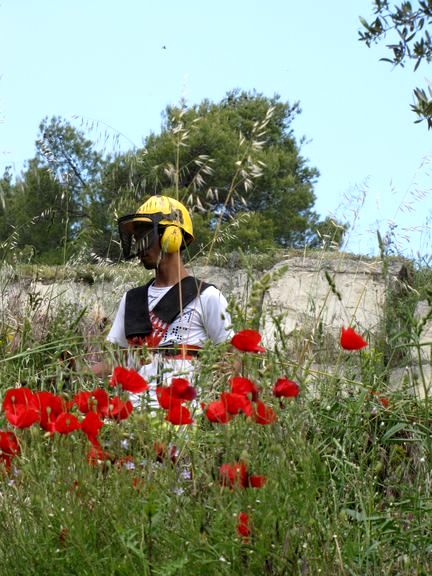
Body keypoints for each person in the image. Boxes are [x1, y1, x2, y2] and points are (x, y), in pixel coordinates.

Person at [92, 195, 234, 408]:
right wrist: (72, 371)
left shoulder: (207, 296)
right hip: (132, 423)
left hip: (182, 423)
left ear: (172, 236)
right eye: (136, 238)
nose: (140, 246)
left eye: (145, 236)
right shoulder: (132, 300)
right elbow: (117, 362)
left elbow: (231, 359)